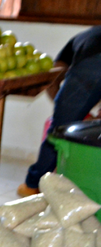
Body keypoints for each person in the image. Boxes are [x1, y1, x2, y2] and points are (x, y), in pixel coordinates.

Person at [18, 25, 101, 197]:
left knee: (58, 131)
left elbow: (54, 78)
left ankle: (32, 185)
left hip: (93, 63)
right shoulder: (89, 37)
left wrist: (63, 109)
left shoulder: (75, 45)